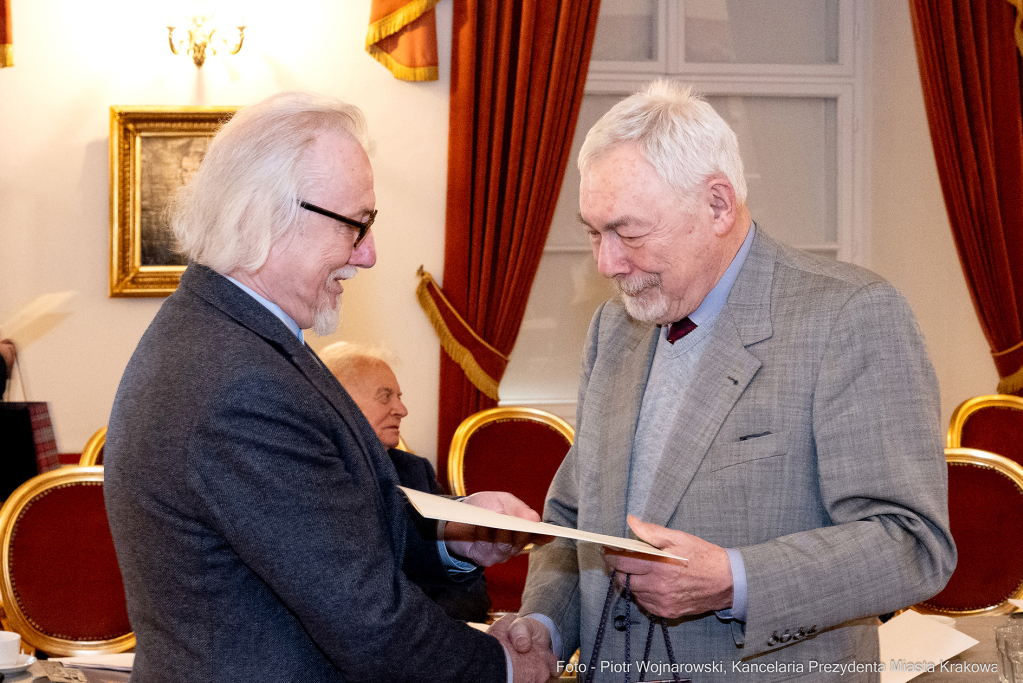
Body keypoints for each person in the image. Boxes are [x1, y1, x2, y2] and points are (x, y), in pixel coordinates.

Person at [508, 81, 956, 681]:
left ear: (718, 204)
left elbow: (912, 543)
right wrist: (543, 627)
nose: (607, 264)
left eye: (628, 232)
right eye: (594, 232)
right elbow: (572, 517)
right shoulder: (613, 328)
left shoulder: (850, 316)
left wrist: (733, 582)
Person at [104, 91, 556, 683]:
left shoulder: (229, 336)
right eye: (355, 225)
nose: (368, 254)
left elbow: (315, 523)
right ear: (264, 215)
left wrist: (449, 531)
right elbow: (365, 620)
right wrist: (500, 667)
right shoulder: (239, 383)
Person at [320, 341, 492, 622]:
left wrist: (428, 630)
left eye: (399, 396)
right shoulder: (314, 476)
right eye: (385, 396)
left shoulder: (415, 472)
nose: (402, 409)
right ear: (338, 402)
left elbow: (470, 586)